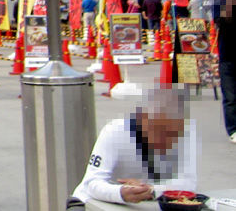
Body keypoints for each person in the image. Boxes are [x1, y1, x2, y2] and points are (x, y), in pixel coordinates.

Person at [66, 86, 197, 207]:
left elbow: (189, 182)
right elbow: (92, 183)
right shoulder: (115, 132)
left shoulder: (186, 136)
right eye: (159, 131)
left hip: (142, 204)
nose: (166, 140)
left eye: (173, 134)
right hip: (91, 202)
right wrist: (121, 192)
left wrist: (152, 190)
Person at [215, 0, 236, 143]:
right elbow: (217, 22)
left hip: (227, 56)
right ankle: (233, 130)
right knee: (230, 97)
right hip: (227, 57)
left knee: (230, 97)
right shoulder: (220, 4)